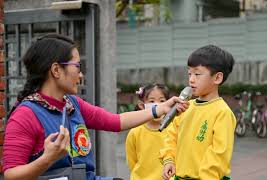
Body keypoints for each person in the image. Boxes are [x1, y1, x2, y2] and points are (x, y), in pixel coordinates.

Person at [2, 33, 188, 180]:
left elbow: (116, 121)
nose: (81, 74)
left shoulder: (72, 104)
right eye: (77, 66)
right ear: (56, 70)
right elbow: (11, 175)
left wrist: (160, 109)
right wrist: (46, 159)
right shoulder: (25, 115)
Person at [160, 45, 236, 180]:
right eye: (189, 73)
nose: (191, 79)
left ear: (217, 78)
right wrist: (169, 160)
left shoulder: (222, 112)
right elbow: (171, 136)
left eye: (197, 74)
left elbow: (219, 154)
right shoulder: (184, 107)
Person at [126, 83, 171, 180]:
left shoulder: (173, 129)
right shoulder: (135, 131)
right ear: (142, 105)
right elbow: (132, 162)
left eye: (162, 100)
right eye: (152, 101)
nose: (157, 104)